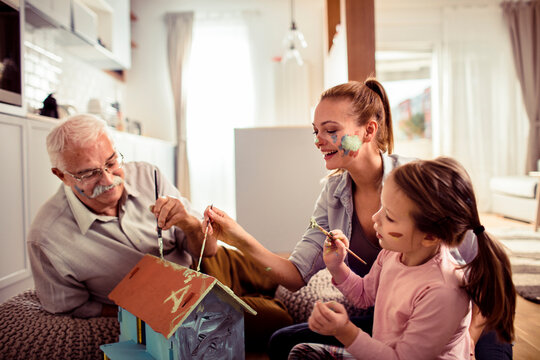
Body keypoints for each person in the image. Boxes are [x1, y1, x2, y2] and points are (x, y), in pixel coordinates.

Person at [205, 79, 512, 359]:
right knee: (282, 343)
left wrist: (470, 336)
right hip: (390, 323)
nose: (318, 140)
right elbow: (296, 276)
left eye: (331, 130)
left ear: (368, 131)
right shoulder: (333, 193)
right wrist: (235, 236)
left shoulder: (415, 184)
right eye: (316, 131)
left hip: (459, 321)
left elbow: (482, 264)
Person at [27, 114, 292, 350]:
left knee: (287, 277)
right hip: (184, 311)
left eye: (111, 162)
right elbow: (72, 308)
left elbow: (209, 250)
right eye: (88, 174)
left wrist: (188, 222)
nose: (108, 180)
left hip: (207, 264)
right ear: (61, 175)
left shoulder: (146, 175)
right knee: (280, 320)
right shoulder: (47, 238)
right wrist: (145, 313)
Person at [288, 157, 516, 359]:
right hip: (384, 352)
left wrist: (345, 330)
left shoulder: (442, 291)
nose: (375, 218)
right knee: (301, 352)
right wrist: (337, 267)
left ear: (429, 236)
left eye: (389, 216)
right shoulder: (392, 253)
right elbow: (365, 295)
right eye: (381, 207)